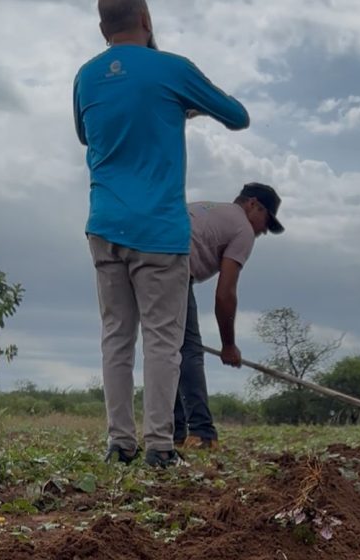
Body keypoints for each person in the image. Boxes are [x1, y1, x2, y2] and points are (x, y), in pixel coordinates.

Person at [73, 0, 251, 468]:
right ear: (148, 22)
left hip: (105, 225)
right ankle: (158, 446)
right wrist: (186, 107)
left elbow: (87, 136)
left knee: (116, 336)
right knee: (162, 340)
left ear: (101, 28)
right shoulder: (173, 69)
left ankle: (119, 443)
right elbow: (237, 115)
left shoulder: (85, 77)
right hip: (159, 229)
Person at [174, 183, 284, 449]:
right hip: (172, 265)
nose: (263, 231)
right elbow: (225, 294)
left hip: (142, 256)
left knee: (169, 349)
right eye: (266, 222)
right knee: (188, 350)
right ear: (253, 205)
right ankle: (202, 434)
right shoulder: (243, 229)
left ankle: (173, 432)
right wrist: (228, 345)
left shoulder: (209, 209)